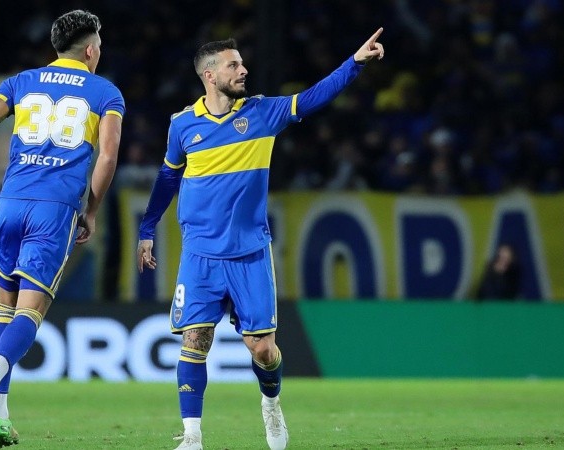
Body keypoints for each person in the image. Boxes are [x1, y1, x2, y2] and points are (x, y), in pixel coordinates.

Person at [136, 30, 385, 450]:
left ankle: (271, 404)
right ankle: (192, 437)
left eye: (241, 63)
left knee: (263, 350)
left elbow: (313, 97)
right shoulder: (182, 124)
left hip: (249, 252)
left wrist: (355, 63)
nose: (244, 69)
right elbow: (167, 177)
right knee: (194, 342)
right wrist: (147, 230)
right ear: (210, 76)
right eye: (233, 64)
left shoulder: (262, 113)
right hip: (199, 254)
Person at [0, 9, 124, 447]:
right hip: (54, 208)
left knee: (3, 309)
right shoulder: (105, 92)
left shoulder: (20, 82)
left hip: (9, 204)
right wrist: (92, 210)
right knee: (31, 312)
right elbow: (107, 157)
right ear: (91, 51)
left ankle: (1, 416)